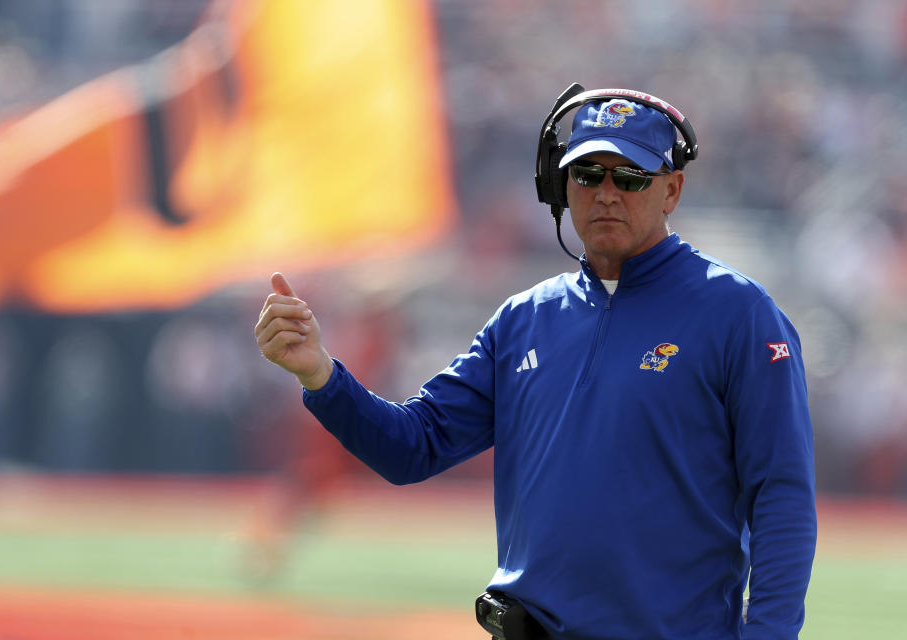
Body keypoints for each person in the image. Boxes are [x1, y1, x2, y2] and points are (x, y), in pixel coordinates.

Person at [254, 90, 817, 639]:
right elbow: (412, 446)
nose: (606, 194)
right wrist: (320, 373)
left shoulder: (738, 314)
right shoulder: (525, 318)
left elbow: (782, 495)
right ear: (558, 184)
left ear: (671, 190)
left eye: (630, 177)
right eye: (587, 174)